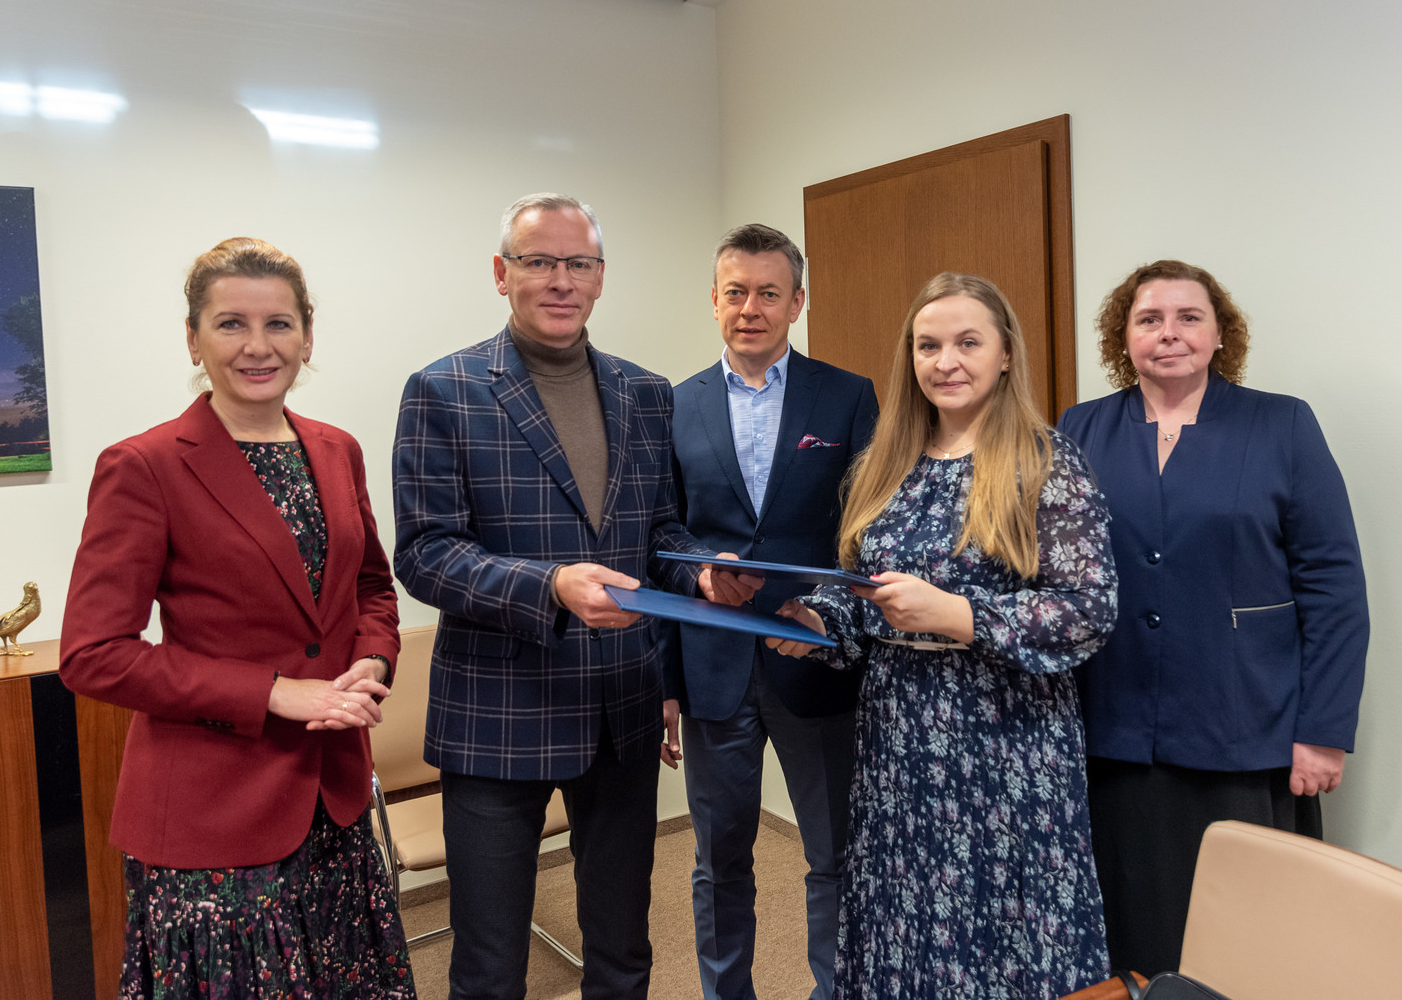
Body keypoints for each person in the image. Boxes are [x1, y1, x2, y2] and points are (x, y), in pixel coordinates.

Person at [391, 193, 758, 1000]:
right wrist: (551, 586)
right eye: (539, 262)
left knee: (623, 953)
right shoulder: (443, 389)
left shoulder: (646, 392)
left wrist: (701, 570)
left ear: (600, 277)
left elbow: (659, 532)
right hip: (496, 716)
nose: (561, 280)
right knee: (490, 969)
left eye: (579, 264)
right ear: (502, 274)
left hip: (619, 712)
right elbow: (424, 555)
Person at [59, 237, 412, 998]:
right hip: (212, 816)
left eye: (279, 324)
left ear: (307, 336)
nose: (258, 346)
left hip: (334, 803)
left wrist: (372, 659)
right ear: (194, 339)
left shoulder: (337, 450)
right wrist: (274, 692)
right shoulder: (144, 465)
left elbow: (372, 589)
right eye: (230, 324)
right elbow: (93, 653)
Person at [768, 272, 1117, 1000]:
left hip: (1007, 742)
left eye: (967, 343)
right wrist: (821, 621)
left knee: (1003, 932)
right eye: (928, 345)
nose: (945, 361)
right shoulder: (885, 464)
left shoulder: (1045, 461)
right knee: (905, 920)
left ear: (1006, 354)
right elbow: (865, 590)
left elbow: (1087, 609)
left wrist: (960, 614)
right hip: (899, 739)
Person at [1057, 258, 1370, 977]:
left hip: (1244, 727)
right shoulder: (1081, 428)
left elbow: (1334, 587)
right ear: (1123, 336)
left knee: (1246, 937)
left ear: (1221, 333)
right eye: (1149, 319)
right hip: (1115, 731)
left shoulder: (1282, 424)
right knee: (1131, 930)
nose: (1169, 333)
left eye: (1189, 317)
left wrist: (1323, 731)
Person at [660, 224, 878, 1000]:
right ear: (714, 300)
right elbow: (662, 536)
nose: (750, 308)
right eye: (736, 293)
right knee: (719, 859)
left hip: (812, 657)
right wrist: (668, 678)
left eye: (768, 293)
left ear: (797, 302)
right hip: (713, 667)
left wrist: (828, 613)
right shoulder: (673, 404)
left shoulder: (847, 396)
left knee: (834, 853)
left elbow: (867, 529)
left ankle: (835, 990)